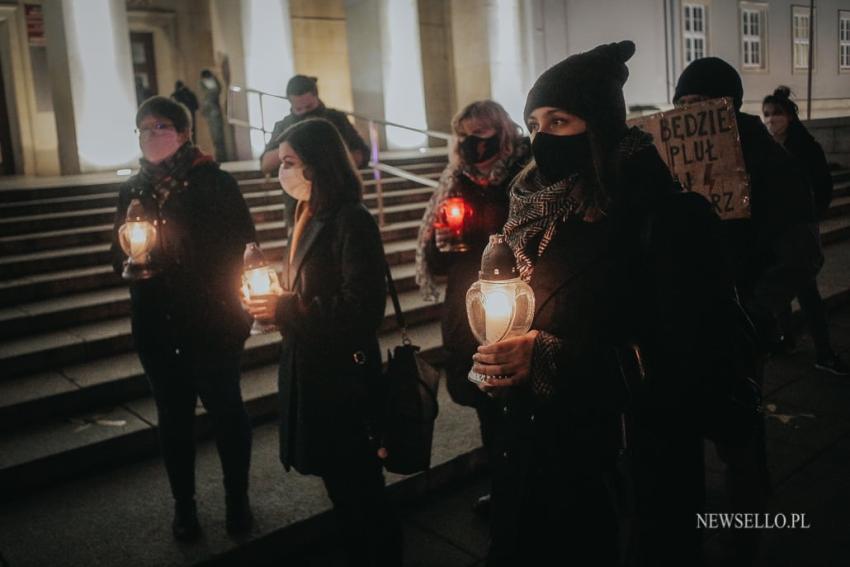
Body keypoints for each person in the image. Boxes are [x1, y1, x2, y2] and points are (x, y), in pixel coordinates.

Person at [470, 41, 685, 566]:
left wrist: (551, 357)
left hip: (600, 449)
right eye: (534, 122)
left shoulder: (648, 211)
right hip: (524, 444)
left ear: (600, 125)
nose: (543, 136)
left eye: (561, 120)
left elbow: (675, 347)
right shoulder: (527, 207)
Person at [674, 57, 818, 566]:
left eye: (698, 105)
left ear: (727, 106)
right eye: (681, 106)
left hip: (736, 326)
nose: (687, 114)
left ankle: (745, 538)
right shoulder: (673, 161)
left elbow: (802, 253)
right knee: (679, 443)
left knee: (740, 443)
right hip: (679, 325)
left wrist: (756, 312)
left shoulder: (767, 161)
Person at [244, 118, 402, 567]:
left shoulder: (351, 220)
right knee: (345, 493)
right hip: (313, 372)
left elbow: (362, 308)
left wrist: (286, 308)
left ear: (317, 164)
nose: (283, 172)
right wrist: (277, 302)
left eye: (290, 162)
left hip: (343, 382)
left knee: (362, 495)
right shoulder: (306, 212)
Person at [110, 96, 255, 541]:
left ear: (184, 132)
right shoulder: (133, 189)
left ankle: (237, 501)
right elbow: (118, 251)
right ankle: (184, 508)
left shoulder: (214, 184)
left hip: (211, 321)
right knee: (173, 420)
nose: (151, 136)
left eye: (160, 127)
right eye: (143, 129)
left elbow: (242, 247)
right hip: (157, 323)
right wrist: (133, 258)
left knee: (227, 415)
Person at [415, 100, 529, 515]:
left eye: (481, 135)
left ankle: (526, 490)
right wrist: (443, 242)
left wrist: (483, 232)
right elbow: (436, 260)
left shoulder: (524, 177)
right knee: (486, 407)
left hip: (513, 309)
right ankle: (503, 490)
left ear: (502, 134)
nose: (472, 146)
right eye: (464, 136)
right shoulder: (454, 181)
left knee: (520, 409)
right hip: (468, 311)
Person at [762, 86, 849, 375]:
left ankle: (824, 351)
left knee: (807, 291)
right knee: (782, 292)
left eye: (776, 114)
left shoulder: (806, 147)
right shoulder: (766, 147)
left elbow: (822, 186)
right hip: (774, 229)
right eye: (766, 115)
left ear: (789, 116)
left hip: (798, 229)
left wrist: (811, 217)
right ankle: (788, 339)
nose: (771, 120)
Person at [259, 75, 370, 175]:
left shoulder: (337, 119)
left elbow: (362, 155)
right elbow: (265, 165)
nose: (304, 112)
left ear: (316, 97)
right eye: (298, 109)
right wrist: (292, 146)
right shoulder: (283, 125)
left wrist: (333, 155)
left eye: (309, 107)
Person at [199, 69, 227, 161]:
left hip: (214, 112)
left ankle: (221, 156)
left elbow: (214, 92)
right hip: (211, 112)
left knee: (218, 137)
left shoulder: (211, 87)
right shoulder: (206, 86)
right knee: (215, 138)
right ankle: (220, 156)